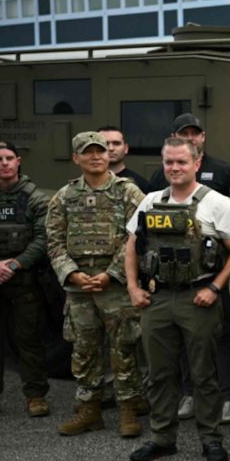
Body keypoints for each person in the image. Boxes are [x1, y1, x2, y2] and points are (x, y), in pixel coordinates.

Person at [125, 137, 230, 461]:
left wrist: (217, 287)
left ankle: (210, 439)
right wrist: (134, 288)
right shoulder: (150, 201)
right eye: (169, 162)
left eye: (181, 162)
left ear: (197, 163)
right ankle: (162, 438)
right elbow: (132, 246)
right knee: (159, 373)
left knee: (203, 373)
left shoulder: (216, 203)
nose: (174, 168)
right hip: (158, 298)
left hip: (198, 298)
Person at [45, 132, 148, 438]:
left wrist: (112, 274)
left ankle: (129, 407)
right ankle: (89, 409)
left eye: (100, 151)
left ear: (109, 155)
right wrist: (72, 274)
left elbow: (139, 237)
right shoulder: (64, 196)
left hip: (116, 286)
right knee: (84, 350)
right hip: (79, 288)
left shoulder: (128, 192)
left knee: (125, 348)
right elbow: (54, 242)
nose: (96, 156)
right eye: (87, 152)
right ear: (76, 159)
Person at [148, 114, 230, 427]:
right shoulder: (157, 184)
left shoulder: (225, 173)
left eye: (195, 133)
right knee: (180, 345)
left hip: (210, 277)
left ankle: (229, 396)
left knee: (223, 339)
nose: (175, 168)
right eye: (183, 133)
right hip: (171, 283)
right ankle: (187, 393)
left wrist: (217, 285)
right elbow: (139, 237)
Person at [0, 141, 51, 418]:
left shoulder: (35, 198)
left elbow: (43, 239)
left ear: (18, 162)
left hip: (23, 279)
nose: (4, 163)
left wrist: (13, 265)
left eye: (9, 158)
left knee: (29, 339)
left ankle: (36, 395)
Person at [98, 126, 150, 194]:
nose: (111, 148)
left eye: (116, 143)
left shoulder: (141, 185)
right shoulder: (87, 182)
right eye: (105, 144)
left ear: (126, 148)